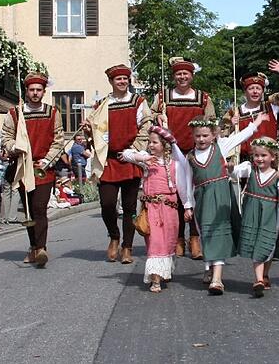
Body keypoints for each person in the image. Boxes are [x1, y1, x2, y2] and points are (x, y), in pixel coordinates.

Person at [187, 112, 266, 294]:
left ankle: (217, 280)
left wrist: (256, 123)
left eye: (205, 135)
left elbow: (240, 136)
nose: (201, 139)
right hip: (202, 197)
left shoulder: (220, 147)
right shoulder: (189, 156)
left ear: (213, 134)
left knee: (218, 234)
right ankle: (209, 268)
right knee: (206, 233)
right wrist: (188, 204)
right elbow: (186, 181)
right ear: (192, 136)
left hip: (221, 195)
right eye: (198, 136)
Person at [85, 64, 151, 264]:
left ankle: (127, 247)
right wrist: (88, 130)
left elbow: (146, 127)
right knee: (107, 204)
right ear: (111, 82)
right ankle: (114, 236)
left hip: (129, 159)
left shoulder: (138, 101)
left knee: (129, 207)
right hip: (108, 160)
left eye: (125, 78)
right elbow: (96, 132)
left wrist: (133, 151)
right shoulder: (102, 104)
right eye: (118, 79)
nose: (122, 82)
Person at [151, 57, 215, 259]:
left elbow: (211, 123)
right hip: (172, 152)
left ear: (192, 76)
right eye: (178, 74)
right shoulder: (163, 97)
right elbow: (150, 117)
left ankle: (194, 237)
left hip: (197, 152)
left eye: (185, 73)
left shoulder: (203, 98)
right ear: (174, 76)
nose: (182, 77)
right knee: (177, 195)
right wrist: (157, 117)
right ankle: (178, 237)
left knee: (196, 194)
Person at [1, 72, 65, 268]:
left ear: (44, 92)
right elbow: (6, 137)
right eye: (32, 90)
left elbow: (58, 140)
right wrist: (14, 147)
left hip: (42, 167)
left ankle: (41, 248)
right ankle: (34, 246)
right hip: (22, 166)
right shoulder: (15, 113)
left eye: (39, 90)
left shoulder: (53, 112)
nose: (35, 93)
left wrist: (47, 161)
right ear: (26, 91)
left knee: (39, 208)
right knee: (29, 210)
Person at [120, 126, 193, 293]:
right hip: (151, 209)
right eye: (149, 142)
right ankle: (155, 278)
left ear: (165, 145)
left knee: (168, 242)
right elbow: (125, 154)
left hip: (170, 209)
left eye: (155, 142)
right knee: (155, 242)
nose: (151, 145)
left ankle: (164, 270)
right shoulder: (147, 161)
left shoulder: (174, 165)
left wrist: (187, 206)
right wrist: (142, 158)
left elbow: (182, 188)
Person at [234, 137, 279, 298]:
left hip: (269, 217)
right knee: (256, 244)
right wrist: (231, 167)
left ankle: (264, 274)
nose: (259, 159)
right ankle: (259, 279)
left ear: (273, 157)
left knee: (267, 245)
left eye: (263, 155)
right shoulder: (249, 170)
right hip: (252, 214)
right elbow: (234, 173)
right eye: (256, 155)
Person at [223, 60, 279, 162]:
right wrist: (231, 126)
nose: (255, 91)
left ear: (262, 91)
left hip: (269, 163)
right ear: (245, 91)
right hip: (244, 163)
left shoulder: (271, 106)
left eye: (258, 88)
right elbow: (221, 138)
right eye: (251, 88)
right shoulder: (234, 112)